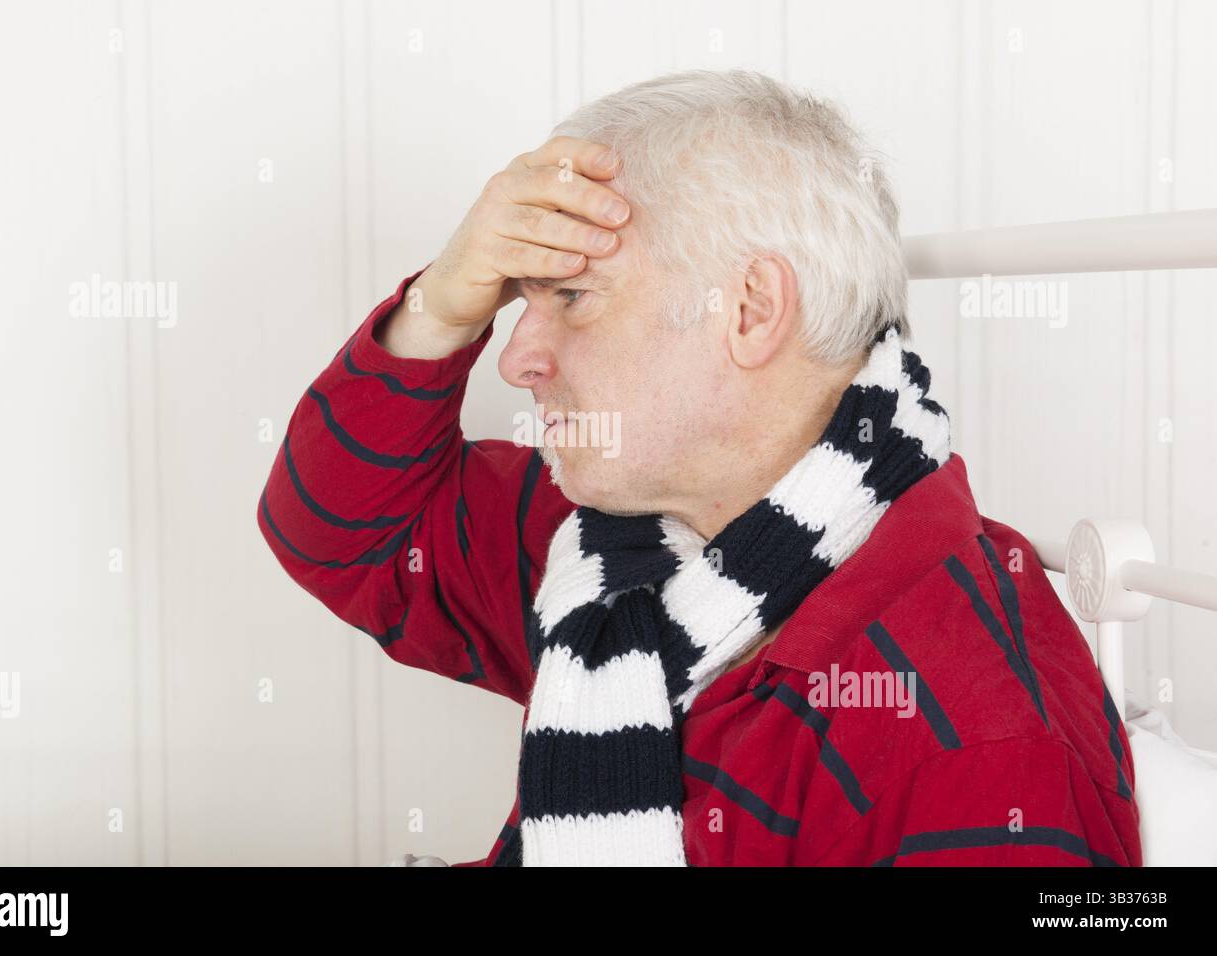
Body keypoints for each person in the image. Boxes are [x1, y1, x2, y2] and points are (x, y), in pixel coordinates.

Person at [257, 69, 1141, 867]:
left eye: (570, 297)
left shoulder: (974, 744)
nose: (515, 358)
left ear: (750, 310)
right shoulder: (621, 545)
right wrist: (439, 304)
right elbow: (347, 537)